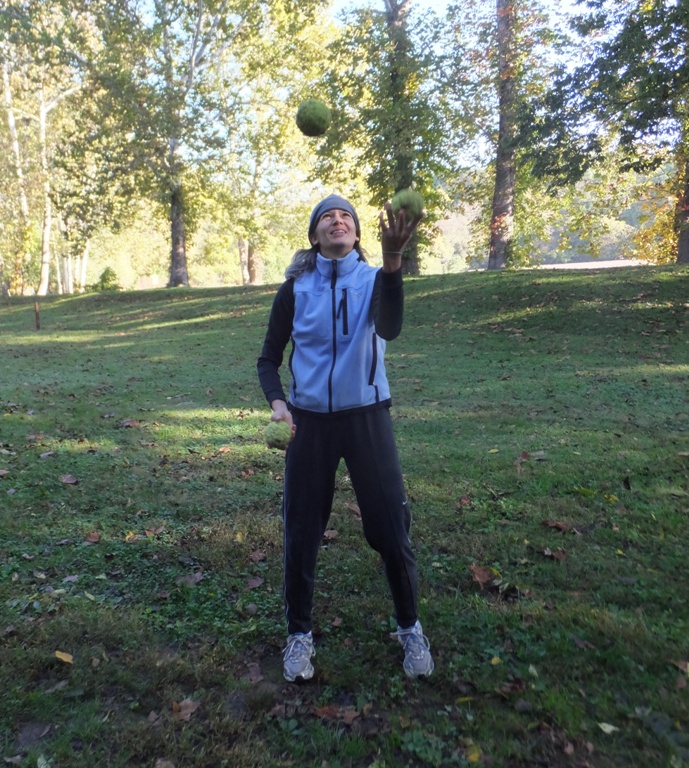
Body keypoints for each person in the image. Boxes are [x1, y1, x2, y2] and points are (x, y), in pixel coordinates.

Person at [257, 194, 434, 682]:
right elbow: (268, 358)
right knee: (301, 532)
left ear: (356, 235)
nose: (338, 221)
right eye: (327, 218)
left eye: (346, 217)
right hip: (308, 424)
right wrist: (279, 405)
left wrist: (394, 261)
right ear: (315, 236)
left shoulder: (374, 280)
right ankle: (298, 635)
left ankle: (409, 627)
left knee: (391, 531)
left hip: (367, 420)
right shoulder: (295, 289)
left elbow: (392, 328)